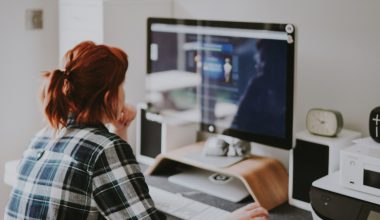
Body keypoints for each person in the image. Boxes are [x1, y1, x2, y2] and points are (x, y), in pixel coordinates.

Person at [4, 41, 269, 220]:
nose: (125, 93)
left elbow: (111, 188)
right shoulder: (104, 148)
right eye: (122, 85)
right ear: (109, 96)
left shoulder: (45, 135)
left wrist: (118, 129)